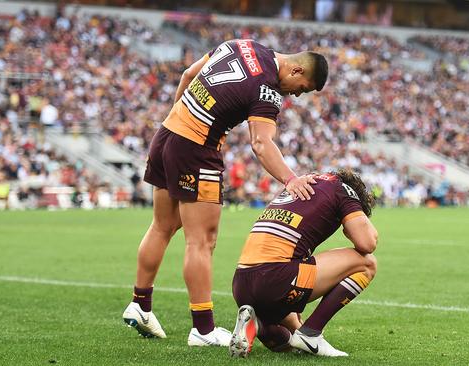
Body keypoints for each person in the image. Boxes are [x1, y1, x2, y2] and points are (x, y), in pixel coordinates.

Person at [121, 39, 329, 347]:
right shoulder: (268, 89)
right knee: (202, 240)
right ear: (296, 69)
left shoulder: (240, 44)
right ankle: (203, 330)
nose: (296, 94)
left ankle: (140, 304)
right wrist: (290, 179)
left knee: (162, 226)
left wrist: (177, 122)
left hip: (167, 134)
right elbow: (260, 143)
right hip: (196, 149)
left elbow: (188, 75)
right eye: (301, 87)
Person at [229, 169, 378, 357]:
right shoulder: (343, 190)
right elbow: (367, 242)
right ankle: (312, 333)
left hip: (242, 286)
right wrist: (352, 228)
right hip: (275, 279)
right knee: (367, 263)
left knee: (289, 337)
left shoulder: (304, 183)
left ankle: (257, 325)